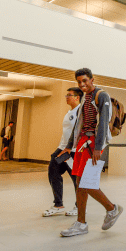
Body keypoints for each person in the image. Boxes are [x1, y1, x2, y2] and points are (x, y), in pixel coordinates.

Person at [58, 68, 123, 237]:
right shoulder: (85, 97)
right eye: (79, 82)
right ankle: (81, 223)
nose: (82, 84)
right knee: (80, 182)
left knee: (86, 183)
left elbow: (103, 122)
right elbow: (78, 123)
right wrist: (69, 145)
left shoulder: (101, 96)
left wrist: (97, 148)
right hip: (82, 143)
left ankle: (111, 208)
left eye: (85, 81)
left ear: (92, 79)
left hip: (93, 143)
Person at [42, 87, 82, 217]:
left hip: (74, 150)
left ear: (77, 97)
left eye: (69, 95)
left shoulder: (80, 112)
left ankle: (80, 206)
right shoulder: (69, 112)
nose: (66, 97)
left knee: (76, 179)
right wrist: (61, 147)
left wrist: (70, 149)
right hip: (62, 148)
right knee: (53, 171)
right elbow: (66, 133)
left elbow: (79, 132)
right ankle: (58, 205)